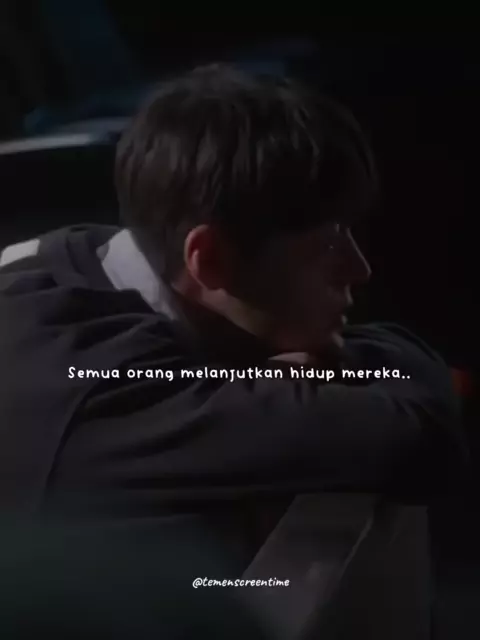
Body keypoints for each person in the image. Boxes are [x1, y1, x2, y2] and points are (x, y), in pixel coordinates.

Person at [0, 64, 467, 568]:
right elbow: (413, 437)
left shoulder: (89, 260)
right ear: (210, 259)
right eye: (328, 245)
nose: (360, 269)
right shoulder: (100, 395)